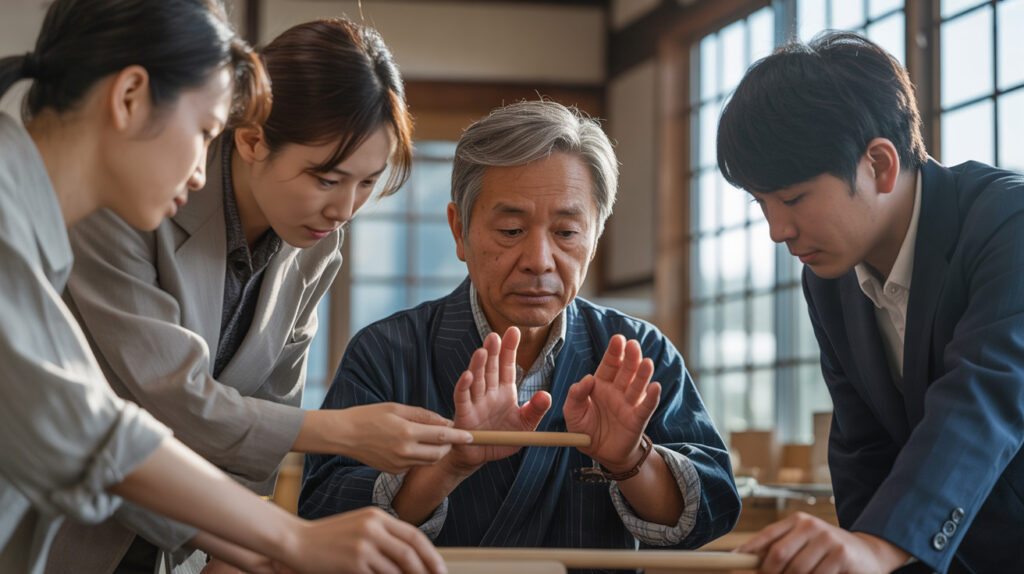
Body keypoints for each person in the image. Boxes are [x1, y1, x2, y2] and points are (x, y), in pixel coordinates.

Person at [0, 2, 449, 573]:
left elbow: (90, 433)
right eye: (206, 131)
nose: (198, 172)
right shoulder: (39, 209)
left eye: (366, 184)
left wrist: (242, 547)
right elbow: (97, 430)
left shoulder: (28, 209)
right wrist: (290, 536)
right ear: (130, 97)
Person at [300, 100, 740, 553]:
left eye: (566, 233)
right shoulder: (387, 350)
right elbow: (324, 514)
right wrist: (450, 465)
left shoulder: (637, 351)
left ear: (595, 237)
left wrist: (630, 460)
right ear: (459, 231)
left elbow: (713, 509)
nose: (539, 261)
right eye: (511, 230)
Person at [716, 31, 1024, 574]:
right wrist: (858, 553)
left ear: (879, 164)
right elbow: (862, 448)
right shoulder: (828, 279)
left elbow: (983, 402)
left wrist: (879, 545)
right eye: (762, 204)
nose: (777, 230)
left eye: (792, 198)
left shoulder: (1008, 224)